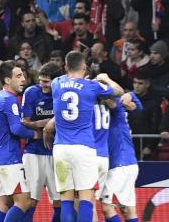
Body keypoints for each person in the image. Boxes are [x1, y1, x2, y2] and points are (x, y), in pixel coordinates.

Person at [50, 51, 123, 222]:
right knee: (86, 199)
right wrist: (104, 78)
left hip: (60, 148)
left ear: (65, 67)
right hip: (84, 148)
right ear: (84, 67)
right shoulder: (91, 87)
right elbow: (118, 91)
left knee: (66, 201)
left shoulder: (56, 83)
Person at [0, 60, 38, 222]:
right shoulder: (9, 99)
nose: (23, 79)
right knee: (24, 201)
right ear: (7, 80)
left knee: (4, 205)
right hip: (9, 159)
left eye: (23, 75)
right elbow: (16, 129)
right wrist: (34, 134)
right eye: (18, 76)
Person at [21, 62, 62, 221]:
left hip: (57, 153)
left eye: (46, 81)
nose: (42, 84)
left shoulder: (62, 94)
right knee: (30, 201)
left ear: (56, 81)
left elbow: (64, 120)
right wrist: (50, 123)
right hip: (33, 153)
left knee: (59, 202)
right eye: (40, 80)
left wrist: (37, 125)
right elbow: (25, 122)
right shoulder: (31, 92)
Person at [100, 92, 143, 222]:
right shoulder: (105, 110)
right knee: (128, 210)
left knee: (107, 207)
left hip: (121, 164)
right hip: (126, 163)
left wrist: (129, 95)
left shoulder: (116, 108)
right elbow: (138, 106)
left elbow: (136, 102)